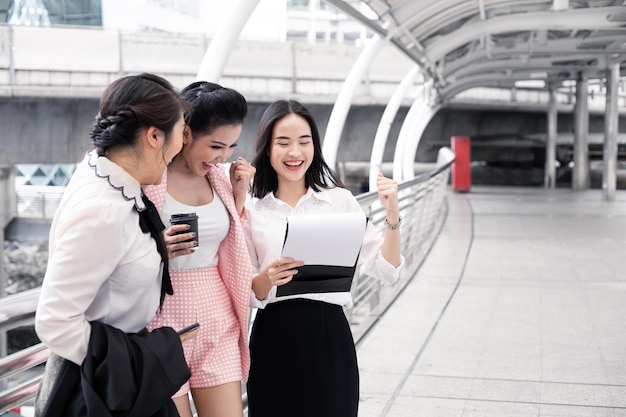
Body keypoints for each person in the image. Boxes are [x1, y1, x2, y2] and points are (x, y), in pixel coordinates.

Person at [34, 73, 192, 416]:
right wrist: (134, 359)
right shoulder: (103, 210)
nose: (183, 144)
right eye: (181, 132)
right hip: (101, 387)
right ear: (153, 136)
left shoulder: (100, 169)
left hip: (118, 371)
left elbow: (114, 256)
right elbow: (54, 321)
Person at [243, 99, 404, 417]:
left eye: (304, 142)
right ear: (267, 147)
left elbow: (386, 270)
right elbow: (244, 288)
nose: (295, 153)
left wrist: (392, 213)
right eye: (283, 143)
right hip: (273, 334)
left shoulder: (339, 201)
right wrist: (266, 279)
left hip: (329, 335)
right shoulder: (251, 207)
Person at [144, 81, 256, 417]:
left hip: (217, 318)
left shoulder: (220, 178)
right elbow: (120, 242)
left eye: (231, 146)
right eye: (216, 146)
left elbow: (232, 243)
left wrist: (239, 193)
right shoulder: (150, 178)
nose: (223, 157)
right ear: (186, 133)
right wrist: (156, 249)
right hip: (160, 324)